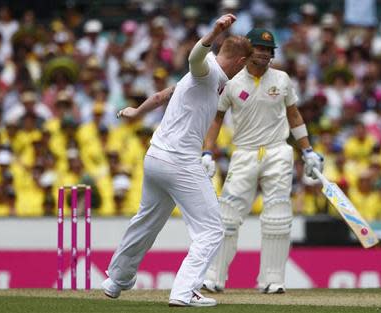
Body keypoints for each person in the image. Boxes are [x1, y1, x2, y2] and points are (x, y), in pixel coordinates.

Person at [101, 14, 252, 307]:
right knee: (211, 229)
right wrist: (214, 31)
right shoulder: (207, 70)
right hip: (179, 162)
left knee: (146, 222)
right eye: (244, 64)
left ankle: (116, 280)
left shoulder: (204, 78)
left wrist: (137, 112)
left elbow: (162, 95)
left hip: (156, 157)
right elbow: (196, 57)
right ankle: (185, 291)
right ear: (238, 61)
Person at [201, 28, 324, 294]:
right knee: (227, 217)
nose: (266, 54)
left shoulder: (282, 79)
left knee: (278, 217)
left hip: (277, 151)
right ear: (247, 51)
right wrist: (207, 152)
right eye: (260, 49)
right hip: (244, 152)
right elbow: (216, 119)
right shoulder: (232, 82)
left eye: (269, 50)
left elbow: (294, 116)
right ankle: (214, 277)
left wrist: (308, 151)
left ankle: (272, 280)